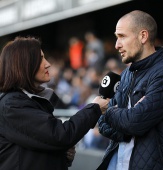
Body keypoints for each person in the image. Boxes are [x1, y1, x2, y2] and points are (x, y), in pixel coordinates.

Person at [0, 36, 110, 170]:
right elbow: (59, 135)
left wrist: (60, 154)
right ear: (24, 64)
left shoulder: (25, 100)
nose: (47, 64)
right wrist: (95, 108)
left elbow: (37, 147)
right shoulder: (12, 105)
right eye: (40, 59)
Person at [97, 10, 163, 170]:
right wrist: (126, 127)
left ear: (143, 36)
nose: (116, 45)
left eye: (122, 36)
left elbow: (135, 122)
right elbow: (102, 124)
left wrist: (109, 112)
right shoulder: (125, 75)